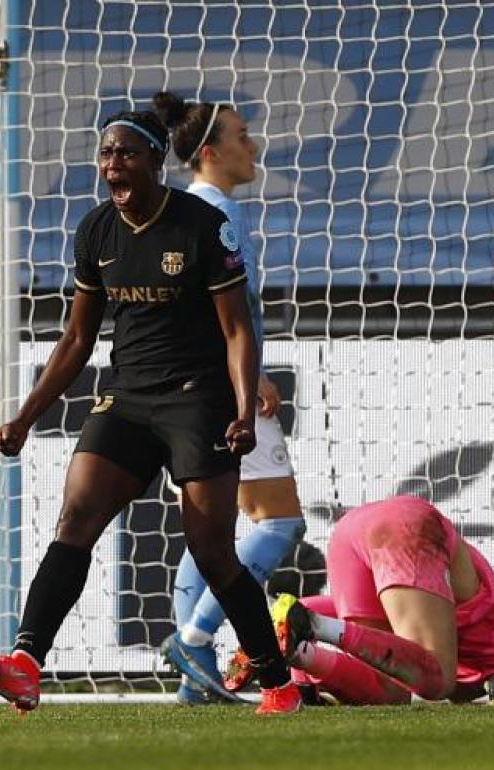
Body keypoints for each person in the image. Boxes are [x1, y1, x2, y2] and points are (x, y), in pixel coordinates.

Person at [0, 109, 301, 715]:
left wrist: (243, 411)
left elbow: (237, 330)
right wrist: (25, 417)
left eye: (126, 154)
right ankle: (26, 664)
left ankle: (278, 684)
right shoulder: (96, 230)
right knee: (76, 518)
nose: (112, 165)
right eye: (105, 154)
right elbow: (77, 338)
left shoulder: (203, 226)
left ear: (155, 161)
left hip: (198, 399)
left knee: (212, 551)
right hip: (128, 398)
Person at [152, 91, 307, 706]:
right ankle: (194, 639)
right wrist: (250, 374)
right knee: (279, 521)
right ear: (211, 153)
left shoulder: (182, 211)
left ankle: (195, 680)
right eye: (242, 136)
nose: (254, 145)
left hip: (186, 390)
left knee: (209, 532)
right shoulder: (217, 213)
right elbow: (218, 308)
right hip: (225, 389)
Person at [229, 495, 494, 707]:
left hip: (351, 532)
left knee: (393, 690)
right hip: (406, 528)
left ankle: (302, 662)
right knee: (437, 682)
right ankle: (314, 637)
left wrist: (303, 679)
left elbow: (305, 608)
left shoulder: (416, 622)